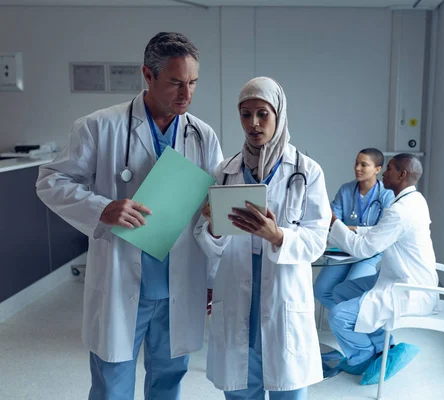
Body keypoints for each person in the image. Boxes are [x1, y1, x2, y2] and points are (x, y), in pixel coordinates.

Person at [36, 32, 223, 400]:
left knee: (168, 381)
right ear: (147, 76)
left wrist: (214, 276)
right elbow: (50, 180)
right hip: (122, 278)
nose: (186, 94)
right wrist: (102, 208)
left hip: (178, 283)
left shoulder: (203, 136)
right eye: (175, 82)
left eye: (193, 82)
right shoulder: (99, 126)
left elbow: (210, 207)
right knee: (112, 386)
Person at [195, 77, 331, 399]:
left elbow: (316, 240)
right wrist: (213, 226)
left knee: (288, 390)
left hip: (282, 290)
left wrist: (278, 236)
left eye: (262, 114)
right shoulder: (224, 172)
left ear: (279, 114)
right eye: (245, 114)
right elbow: (207, 241)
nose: (253, 124)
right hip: (237, 287)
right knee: (241, 389)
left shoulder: (307, 172)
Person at [326, 153, 438, 384]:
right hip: (401, 278)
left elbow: (364, 249)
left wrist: (333, 223)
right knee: (340, 292)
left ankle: (363, 356)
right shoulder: (414, 200)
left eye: (389, 169)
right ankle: (381, 346)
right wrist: (353, 229)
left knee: (337, 316)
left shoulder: (401, 210)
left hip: (408, 288)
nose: (384, 173)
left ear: (402, 174)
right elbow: (382, 233)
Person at [314, 148, 394, 311]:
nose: (357, 168)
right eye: (356, 163)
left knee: (351, 291)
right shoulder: (346, 190)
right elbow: (329, 220)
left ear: (377, 170)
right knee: (321, 290)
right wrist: (353, 229)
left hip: (370, 253)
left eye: (364, 165)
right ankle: (347, 317)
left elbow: (382, 230)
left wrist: (347, 228)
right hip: (344, 250)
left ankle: (348, 319)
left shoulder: (386, 195)